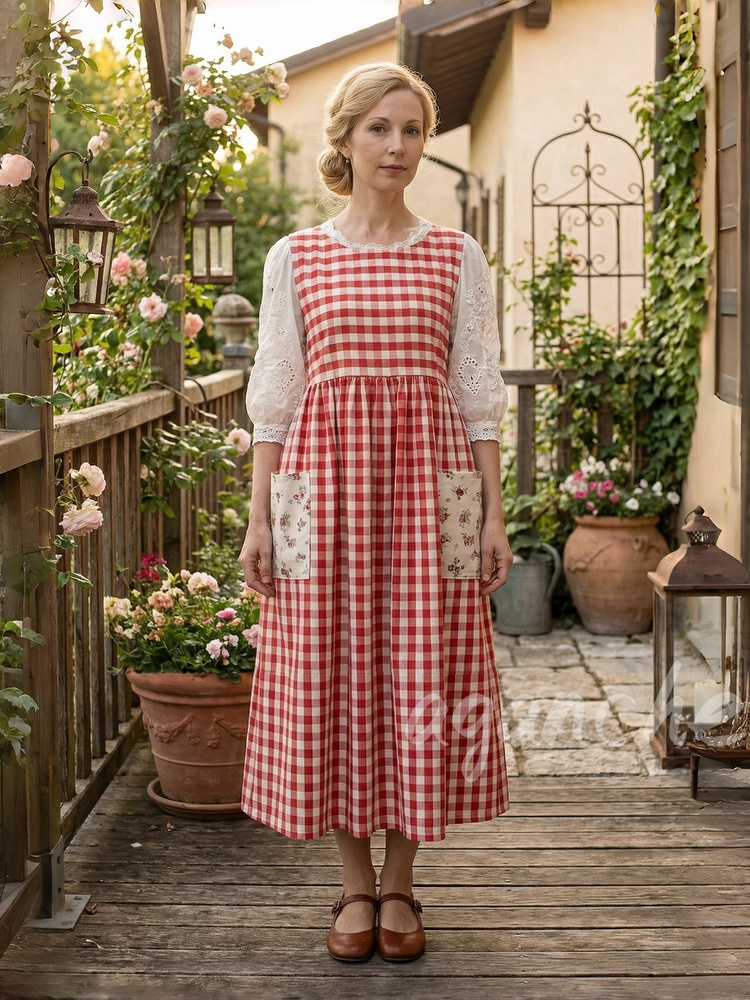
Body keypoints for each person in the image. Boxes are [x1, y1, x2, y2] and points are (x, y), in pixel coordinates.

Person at [239, 61, 511, 964]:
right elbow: (274, 398)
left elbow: (477, 395)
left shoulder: (456, 255)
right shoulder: (297, 257)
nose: (398, 147)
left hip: (430, 500)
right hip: (324, 496)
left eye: (412, 131)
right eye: (381, 130)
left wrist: (494, 518)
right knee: (331, 677)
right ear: (347, 139)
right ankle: (353, 886)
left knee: (420, 678)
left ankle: (402, 885)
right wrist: (259, 520)